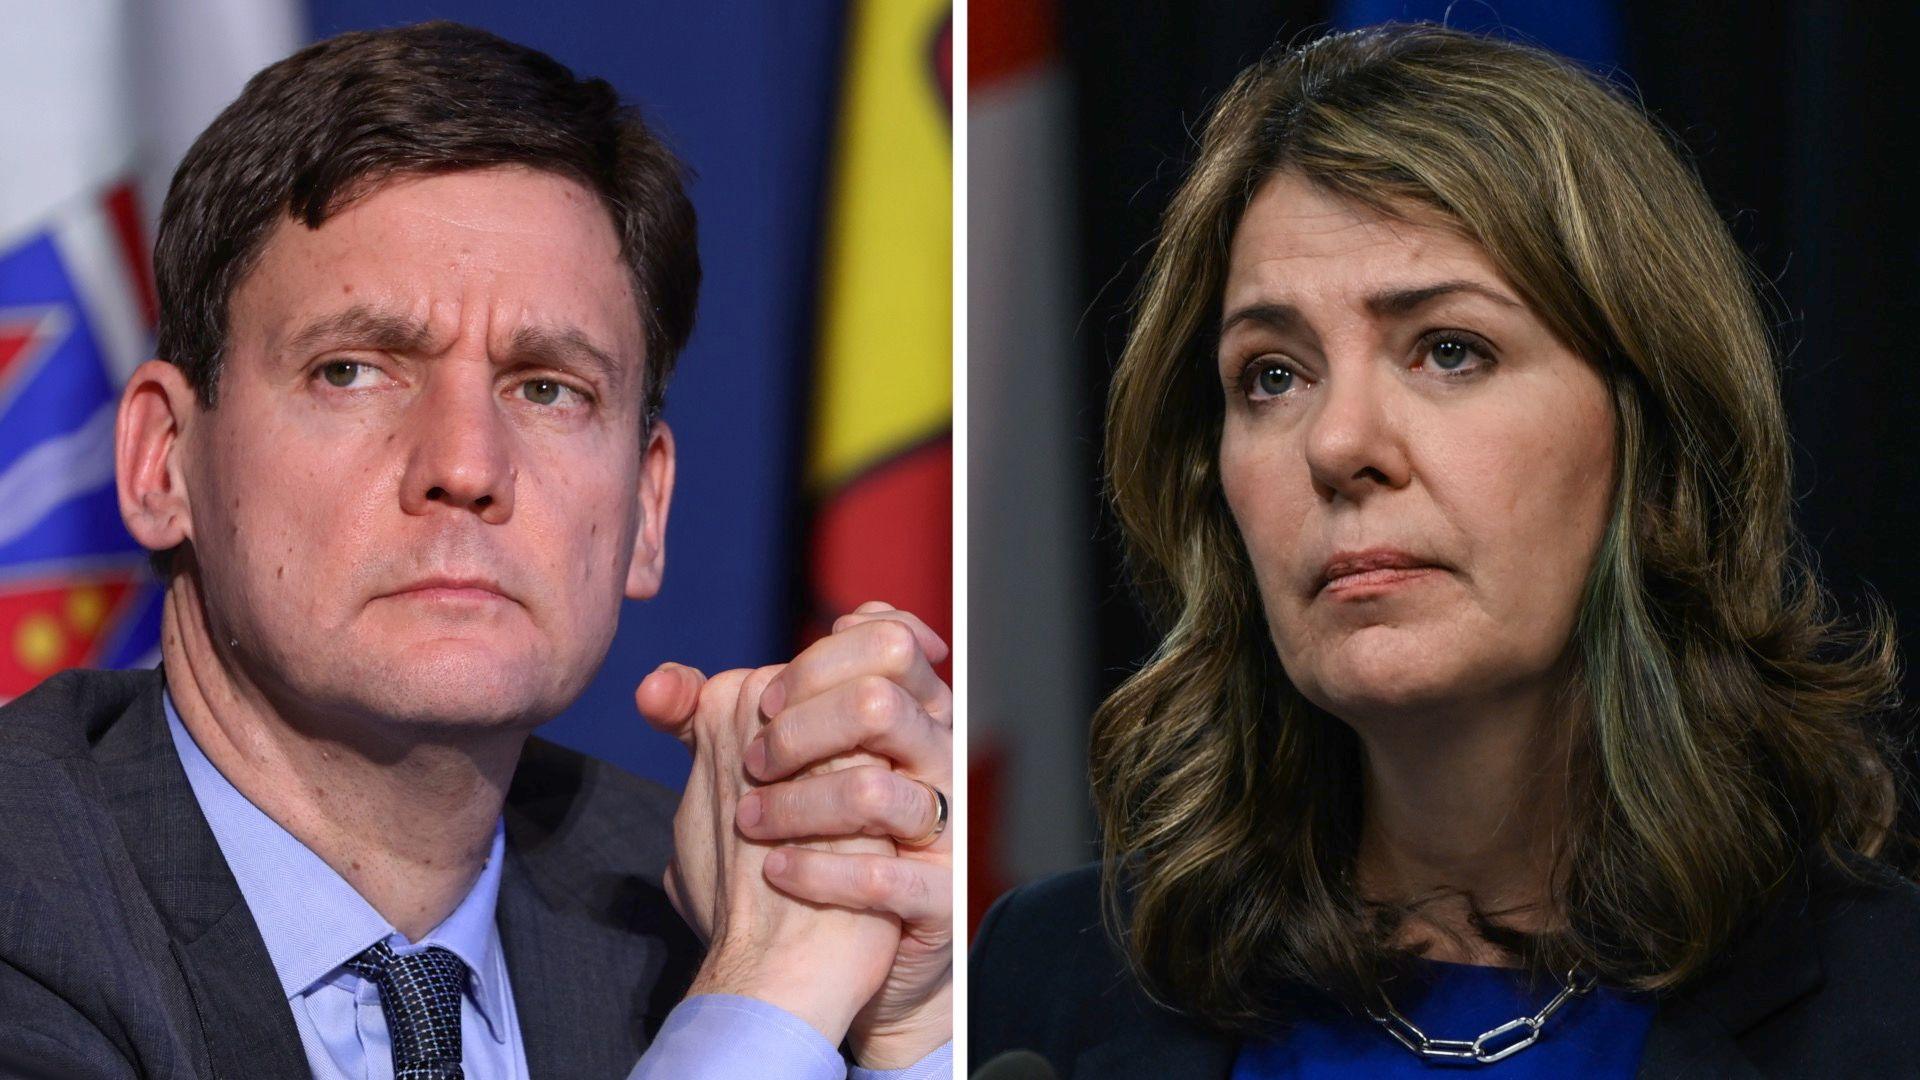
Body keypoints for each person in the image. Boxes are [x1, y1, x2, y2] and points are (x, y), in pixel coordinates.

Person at [0, 21, 951, 1080]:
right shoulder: (24, 894)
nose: (465, 464)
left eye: (547, 388)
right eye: (355, 371)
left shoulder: (692, 902)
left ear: (646, 506)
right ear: (162, 462)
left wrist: (906, 1033)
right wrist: (762, 1016)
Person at [970, 22, 1919, 1079]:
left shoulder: (1888, 1008)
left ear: (1656, 443)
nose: (1337, 445)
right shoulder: (1040, 988)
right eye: (1272, 375)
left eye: (1450, 351)